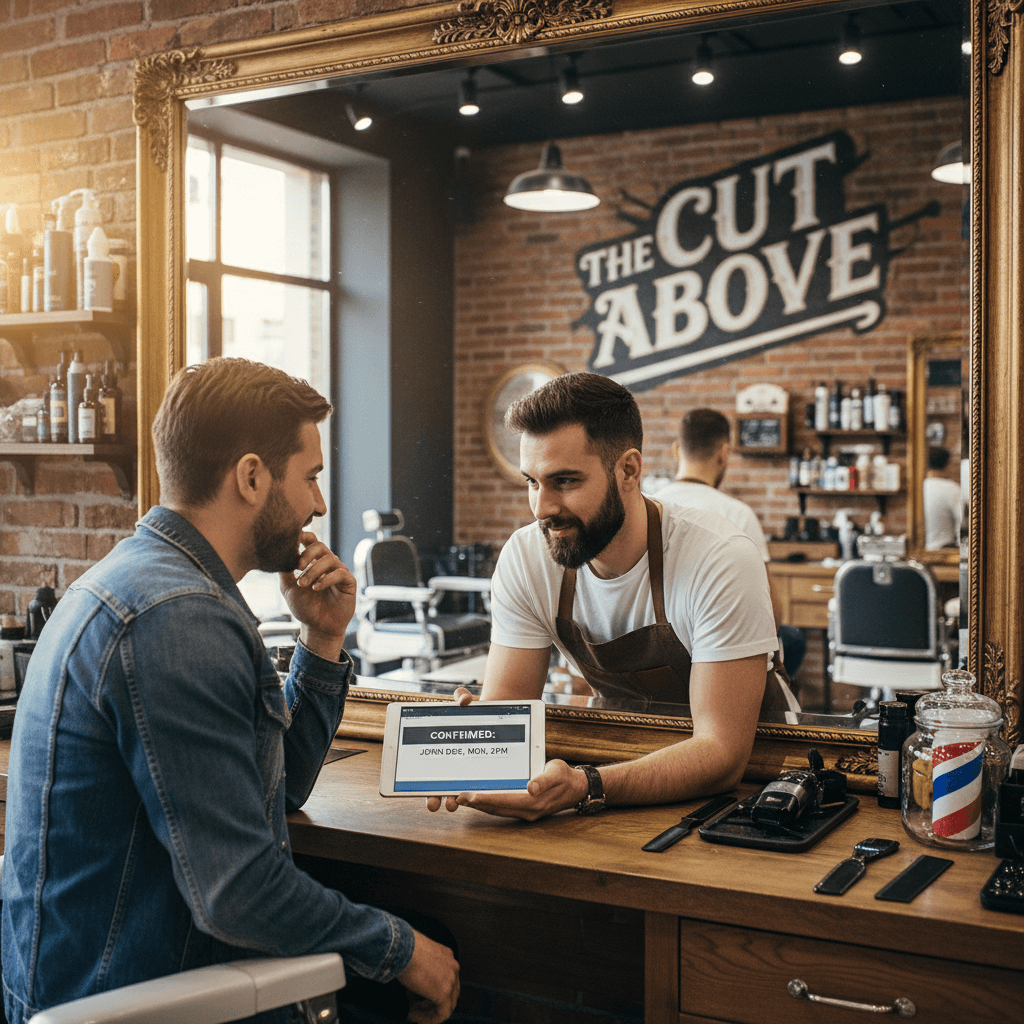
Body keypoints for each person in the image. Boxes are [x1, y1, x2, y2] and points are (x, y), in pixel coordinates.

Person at [1, 358, 459, 1024]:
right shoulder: (178, 617)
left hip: (99, 972)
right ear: (250, 476)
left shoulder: (137, 580)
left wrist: (323, 641)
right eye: (310, 478)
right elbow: (237, 891)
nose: (320, 505)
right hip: (130, 996)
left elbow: (282, 790)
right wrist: (403, 950)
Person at [429, 372, 785, 822]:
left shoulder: (718, 558)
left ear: (629, 471)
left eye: (564, 481)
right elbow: (509, 711)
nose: (542, 508)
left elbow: (722, 753)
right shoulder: (526, 557)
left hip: (758, 780)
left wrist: (585, 785)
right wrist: (480, 742)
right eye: (532, 482)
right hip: (625, 767)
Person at [656, 407, 806, 679]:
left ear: (677, 450)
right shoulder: (737, 514)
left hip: (658, 651)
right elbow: (771, 614)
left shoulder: (648, 505)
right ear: (723, 454)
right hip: (718, 650)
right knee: (793, 639)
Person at [923, 444, 961, 549]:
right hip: (944, 549)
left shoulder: (917, 488)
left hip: (919, 549)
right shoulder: (951, 488)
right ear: (947, 464)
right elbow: (964, 522)